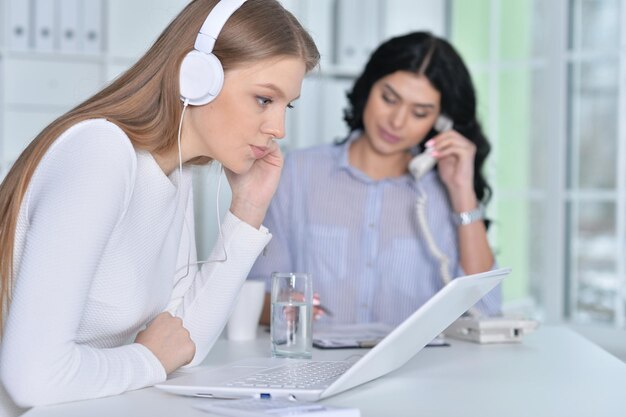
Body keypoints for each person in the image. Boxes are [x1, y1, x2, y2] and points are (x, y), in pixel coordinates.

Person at [0, 0, 319, 413]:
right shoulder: (101, 152)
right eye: (263, 99)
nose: (279, 128)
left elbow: (184, 343)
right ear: (196, 76)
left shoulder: (174, 174)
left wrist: (248, 209)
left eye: (286, 105)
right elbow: (32, 379)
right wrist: (148, 359)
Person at [249, 31, 500, 326]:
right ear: (368, 87)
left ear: (439, 121)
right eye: (389, 99)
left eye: (420, 113)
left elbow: (486, 309)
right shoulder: (297, 172)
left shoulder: (442, 192)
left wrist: (462, 192)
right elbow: (257, 296)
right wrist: (293, 310)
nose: (397, 121)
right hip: (316, 365)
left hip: (418, 369)